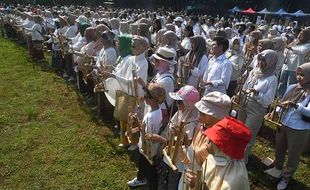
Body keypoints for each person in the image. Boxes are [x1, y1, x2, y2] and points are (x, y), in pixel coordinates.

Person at [265, 62, 310, 190]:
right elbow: (282, 103)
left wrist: (295, 105)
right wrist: (275, 113)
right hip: (283, 122)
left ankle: (286, 177)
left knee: (293, 154)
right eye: (298, 74)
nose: (299, 77)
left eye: (303, 75)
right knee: (279, 147)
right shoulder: (292, 87)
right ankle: (277, 168)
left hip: (298, 128)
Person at [181, 91, 231, 190]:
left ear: (217, 117)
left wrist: (199, 183)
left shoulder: (221, 142)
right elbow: (192, 148)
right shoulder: (201, 126)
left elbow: (216, 177)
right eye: (199, 112)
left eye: (203, 114)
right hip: (190, 176)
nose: (199, 117)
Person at [236, 49, 278, 163]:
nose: (260, 62)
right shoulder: (255, 71)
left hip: (257, 108)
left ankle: (242, 160)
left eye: (264, 60)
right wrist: (238, 95)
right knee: (238, 130)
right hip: (244, 103)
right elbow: (245, 86)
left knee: (248, 134)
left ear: (271, 62)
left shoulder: (272, 79)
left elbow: (268, 101)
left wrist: (257, 93)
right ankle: (234, 153)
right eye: (259, 59)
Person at [158, 85, 200, 190]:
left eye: (180, 102)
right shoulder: (180, 112)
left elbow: (190, 145)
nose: (177, 104)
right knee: (163, 179)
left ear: (189, 104)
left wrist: (182, 134)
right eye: (176, 102)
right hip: (168, 154)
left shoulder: (195, 122)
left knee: (173, 183)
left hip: (180, 161)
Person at [127, 83, 167, 190]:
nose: (144, 98)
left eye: (146, 96)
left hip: (148, 150)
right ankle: (140, 178)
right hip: (146, 149)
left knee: (150, 172)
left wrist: (136, 123)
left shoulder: (151, 116)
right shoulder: (156, 110)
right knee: (142, 164)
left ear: (153, 99)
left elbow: (147, 136)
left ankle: (151, 186)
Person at [198, 116, 251, 190]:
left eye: (211, 140)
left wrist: (200, 186)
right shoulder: (212, 158)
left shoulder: (235, 178)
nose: (206, 141)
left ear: (222, 148)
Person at [278, 28, 310, 97]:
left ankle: (287, 98)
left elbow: (301, 51)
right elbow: (286, 49)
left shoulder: (307, 45)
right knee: (282, 83)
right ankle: (279, 98)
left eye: (302, 35)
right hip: (286, 66)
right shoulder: (295, 41)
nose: (299, 35)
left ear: (307, 36)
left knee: (290, 85)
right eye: (299, 34)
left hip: (295, 68)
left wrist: (291, 48)